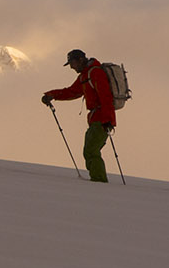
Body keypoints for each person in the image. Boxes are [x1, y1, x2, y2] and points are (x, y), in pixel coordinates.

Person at [41, 49, 115, 183]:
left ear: (80, 60)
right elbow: (72, 92)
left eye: (72, 63)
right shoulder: (85, 76)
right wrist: (51, 95)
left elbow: (106, 97)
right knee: (90, 150)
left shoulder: (95, 73)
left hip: (102, 119)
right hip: (96, 119)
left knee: (91, 151)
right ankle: (98, 180)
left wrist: (107, 119)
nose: (71, 67)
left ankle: (99, 182)